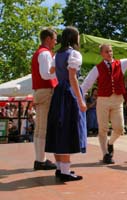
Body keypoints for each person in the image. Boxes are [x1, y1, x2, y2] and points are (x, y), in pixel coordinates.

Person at [45, 26, 87, 181]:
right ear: (75, 38)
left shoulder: (58, 54)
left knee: (58, 128)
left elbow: (51, 70)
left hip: (58, 92)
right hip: (69, 93)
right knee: (67, 129)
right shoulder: (74, 54)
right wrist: (81, 100)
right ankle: (65, 171)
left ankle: (59, 168)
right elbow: (72, 78)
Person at [31, 27, 58, 170]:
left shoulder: (39, 53)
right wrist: (59, 74)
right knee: (43, 129)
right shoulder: (45, 54)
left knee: (39, 128)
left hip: (40, 91)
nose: (56, 42)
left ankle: (40, 159)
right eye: (54, 39)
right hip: (46, 91)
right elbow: (45, 74)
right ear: (48, 39)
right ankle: (40, 161)